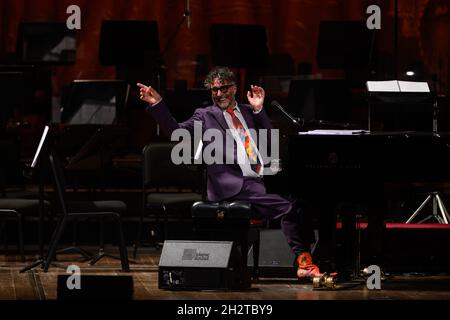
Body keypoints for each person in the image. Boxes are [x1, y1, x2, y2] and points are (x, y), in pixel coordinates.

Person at [137, 67, 321, 280]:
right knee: (289, 207)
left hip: (262, 178)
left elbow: (269, 138)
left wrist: (259, 109)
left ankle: (317, 256)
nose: (218, 94)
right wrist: (157, 104)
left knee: (304, 201)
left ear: (234, 88)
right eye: (214, 90)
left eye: (223, 89)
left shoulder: (247, 111)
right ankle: (304, 262)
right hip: (233, 184)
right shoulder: (204, 116)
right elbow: (176, 131)